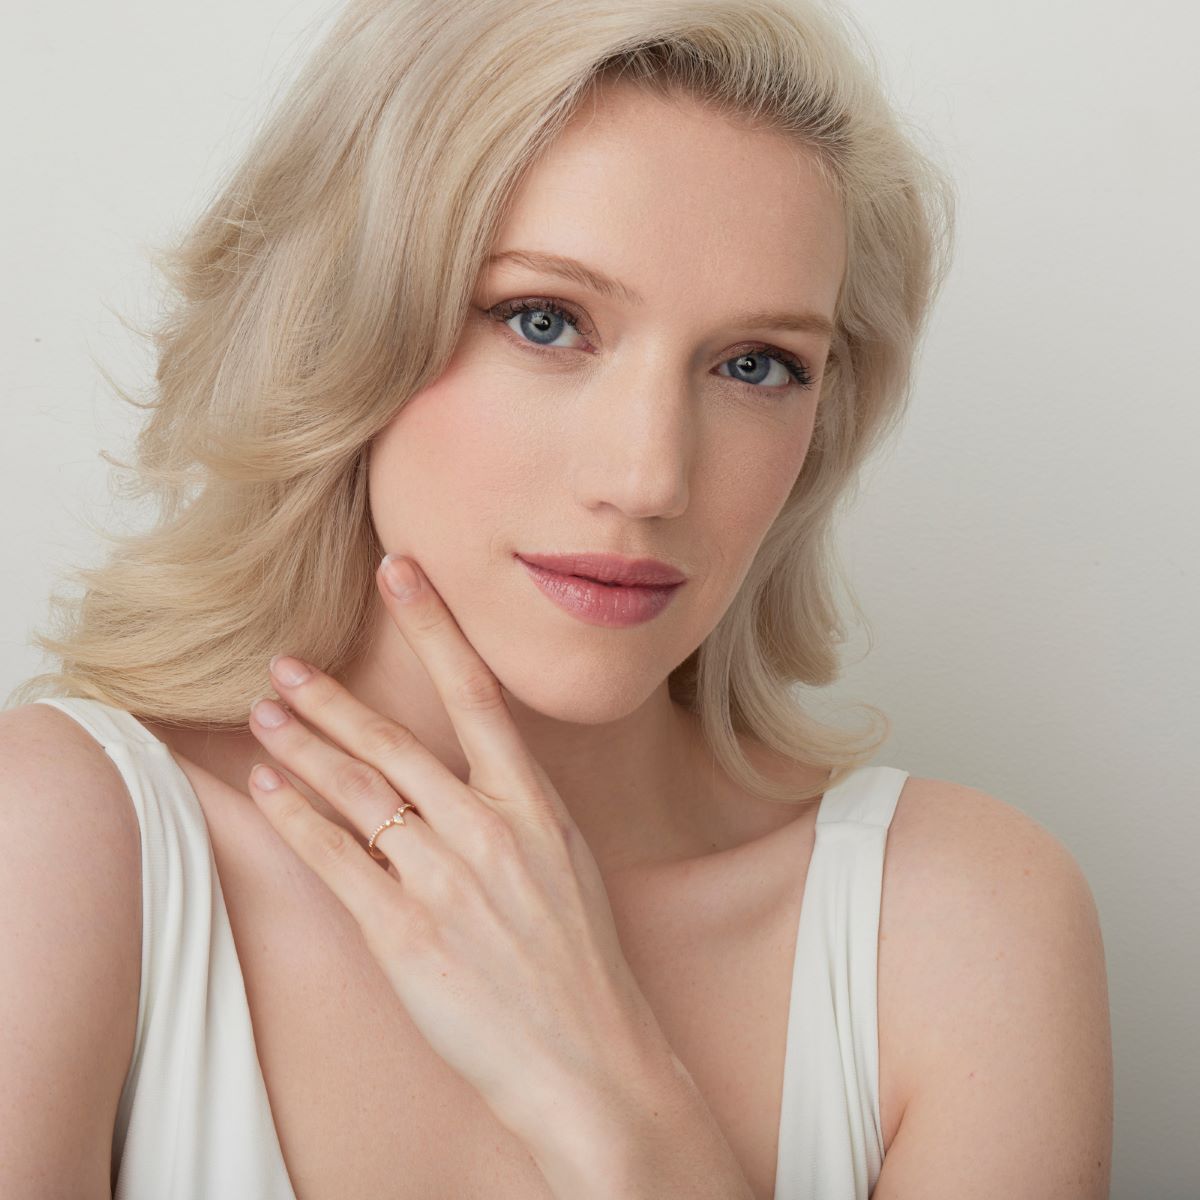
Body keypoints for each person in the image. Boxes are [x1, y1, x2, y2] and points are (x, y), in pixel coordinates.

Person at [0, 0, 1113, 1197]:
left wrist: (613, 1100)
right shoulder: (62, 846)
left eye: (756, 366)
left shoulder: (961, 926)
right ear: (343, 329)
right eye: (546, 322)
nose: (650, 478)